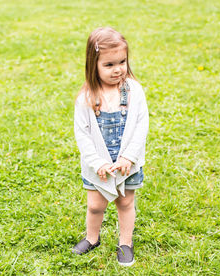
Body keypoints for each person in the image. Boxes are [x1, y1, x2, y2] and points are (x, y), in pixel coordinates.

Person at [72, 27, 149, 267]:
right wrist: (98, 162)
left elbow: (140, 126)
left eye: (122, 62)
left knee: (125, 202)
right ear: (93, 64)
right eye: (109, 65)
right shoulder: (86, 96)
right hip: (99, 164)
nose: (118, 69)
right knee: (95, 205)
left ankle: (125, 242)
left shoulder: (134, 91)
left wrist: (129, 156)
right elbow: (82, 135)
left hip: (127, 163)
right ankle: (92, 238)